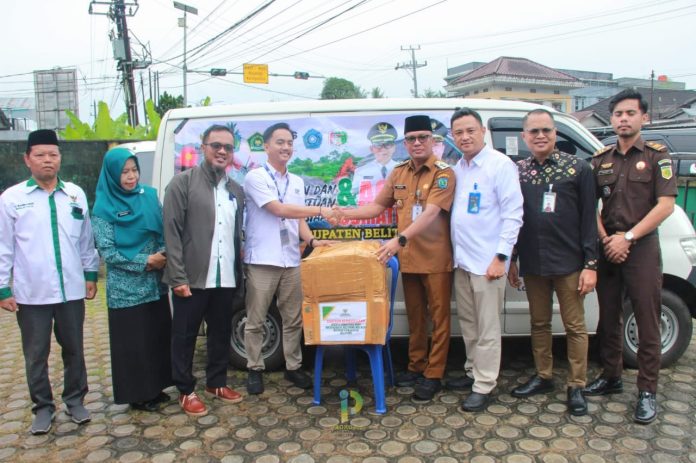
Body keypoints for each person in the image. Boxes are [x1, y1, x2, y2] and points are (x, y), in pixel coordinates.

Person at [334, 115, 455, 401]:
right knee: (415, 316)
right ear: (405, 143)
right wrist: (344, 214)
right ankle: (416, 366)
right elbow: (376, 207)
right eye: (411, 139)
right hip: (409, 258)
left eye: (423, 137)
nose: (417, 143)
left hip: (435, 258)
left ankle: (434, 374)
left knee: (439, 319)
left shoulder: (444, 173)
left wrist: (399, 240)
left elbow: (431, 213)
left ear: (432, 140)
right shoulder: (399, 172)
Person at [585, 89, 677, 424]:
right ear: (611, 119)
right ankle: (611, 376)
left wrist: (628, 237)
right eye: (618, 114)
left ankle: (647, 391)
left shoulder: (657, 157)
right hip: (608, 245)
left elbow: (665, 206)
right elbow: (590, 206)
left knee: (647, 318)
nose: (623, 119)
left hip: (641, 247)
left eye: (630, 113)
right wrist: (606, 239)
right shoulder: (601, 159)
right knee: (608, 316)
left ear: (644, 117)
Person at [0, 129, 99, 434]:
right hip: (32, 294)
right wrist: (3, 288)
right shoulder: (12, 199)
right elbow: (3, 246)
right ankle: (43, 407)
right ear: (27, 159)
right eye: (40, 155)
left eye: (53, 154)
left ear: (60, 158)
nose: (47, 160)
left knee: (74, 349)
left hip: (71, 290)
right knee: (35, 355)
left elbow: (85, 240)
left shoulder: (75, 194)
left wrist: (90, 274)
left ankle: (75, 400)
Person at [508, 109, 597, 416]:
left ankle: (576, 384)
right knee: (539, 322)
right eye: (534, 131)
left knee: (575, 326)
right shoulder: (518, 171)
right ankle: (543, 376)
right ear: (524, 136)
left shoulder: (578, 168)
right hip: (534, 261)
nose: (540, 136)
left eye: (546, 130)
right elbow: (514, 219)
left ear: (555, 133)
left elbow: (589, 219)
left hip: (570, 262)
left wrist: (591, 264)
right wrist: (513, 259)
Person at [243, 122, 335, 395]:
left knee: (293, 318)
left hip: (291, 260)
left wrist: (313, 241)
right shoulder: (255, 177)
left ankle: (293, 367)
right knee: (256, 319)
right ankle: (254, 368)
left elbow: (299, 220)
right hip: (263, 260)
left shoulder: (296, 181)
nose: (286, 147)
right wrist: (322, 209)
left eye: (289, 143)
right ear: (266, 146)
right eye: (280, 142)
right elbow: (279, 209)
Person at [163, 124, 245, 417]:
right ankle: (185, 390)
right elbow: (171, 233)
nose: (222, 151)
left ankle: (216, 383)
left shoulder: (236, 190)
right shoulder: (182, 184)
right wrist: (177, 277)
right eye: (216, 146)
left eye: (228, 147)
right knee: (184, 336)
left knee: (220, 332)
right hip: (192, 278)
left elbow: (236, 234)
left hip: (225, 277)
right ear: (203, 148)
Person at [448, 108, 523, 412]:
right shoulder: (459, 168)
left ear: (482, 131)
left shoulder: (500, 165)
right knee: (469, 324)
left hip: (488, 263)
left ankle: (484, 384)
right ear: (453, 137)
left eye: (470, 130)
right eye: (458, 132)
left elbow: (513, 214)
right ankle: (472, 371)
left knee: (488, 327)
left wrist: (501, 257)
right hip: (463, 261)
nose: (465, 137)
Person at [92, 147, 172, 412]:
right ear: (112, 175)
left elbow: (164, 230)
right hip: (126, 289)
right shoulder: (103, 207)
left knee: (156, 337)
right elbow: (108, 251)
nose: (131, 176)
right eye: (124, 172)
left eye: (134, 170)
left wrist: (163, 253)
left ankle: (157, 387)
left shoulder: (148, 196)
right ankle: (138, 395)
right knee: (134, 343)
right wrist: (145, 261)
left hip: (155, 285)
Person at [351, 122, 399, 198]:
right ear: (371, 149)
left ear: (394, 147)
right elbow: (354, 196)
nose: (383, 149)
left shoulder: (403, 170)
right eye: (378, 145)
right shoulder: (361, 171)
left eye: (388, 144)